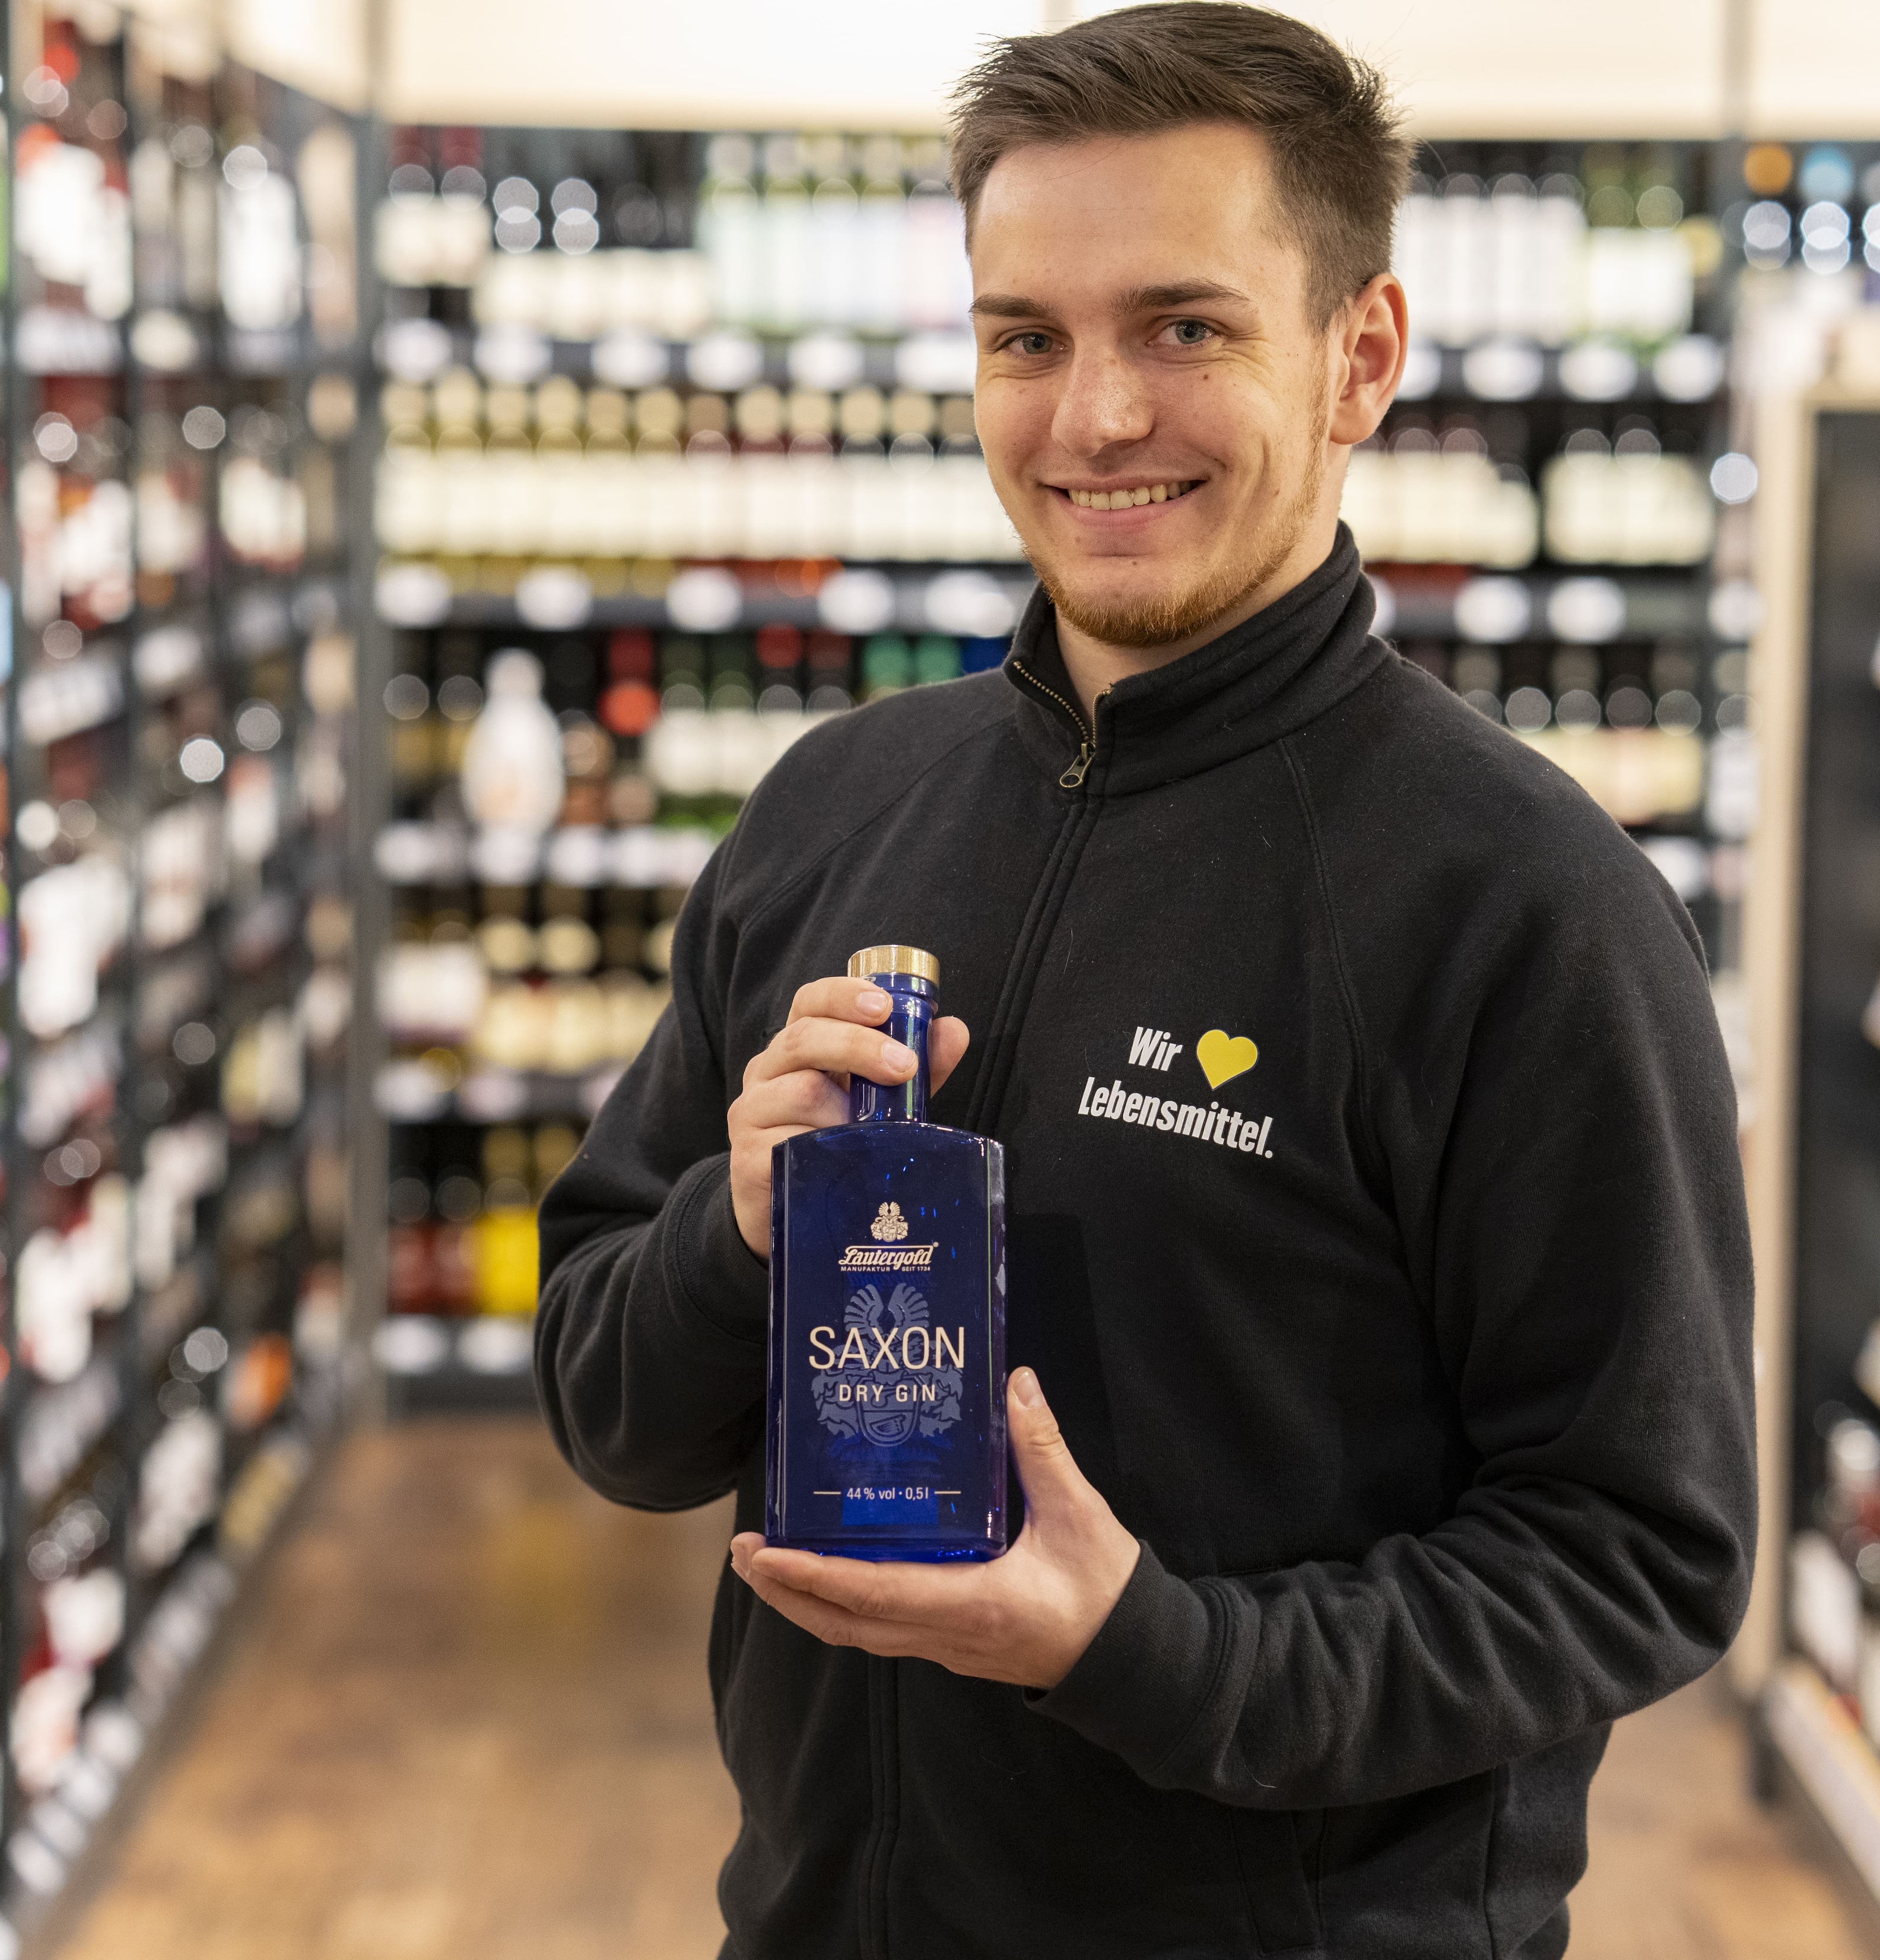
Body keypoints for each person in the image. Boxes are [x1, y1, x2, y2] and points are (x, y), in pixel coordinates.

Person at [534, 5, 1755, 1952]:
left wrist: (1150, 1651)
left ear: (1361, 358)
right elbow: (610, 1406)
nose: (1094, 415)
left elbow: (1635, 1557)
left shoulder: (1527, 904)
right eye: (1028, 337)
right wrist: (733, 1232)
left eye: (1184, 327)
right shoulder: (837, 806)